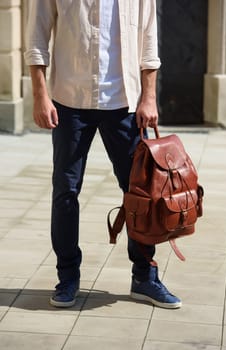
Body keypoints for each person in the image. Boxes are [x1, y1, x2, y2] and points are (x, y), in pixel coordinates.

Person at [24, 0, 181, 309]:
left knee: (141, 193)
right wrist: (40, 97)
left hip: (124, 103)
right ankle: (67, 276)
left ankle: (144, 277)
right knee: (65, 191)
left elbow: (148, 39)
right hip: (69, 101)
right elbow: (36, 38)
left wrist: (149, 97)